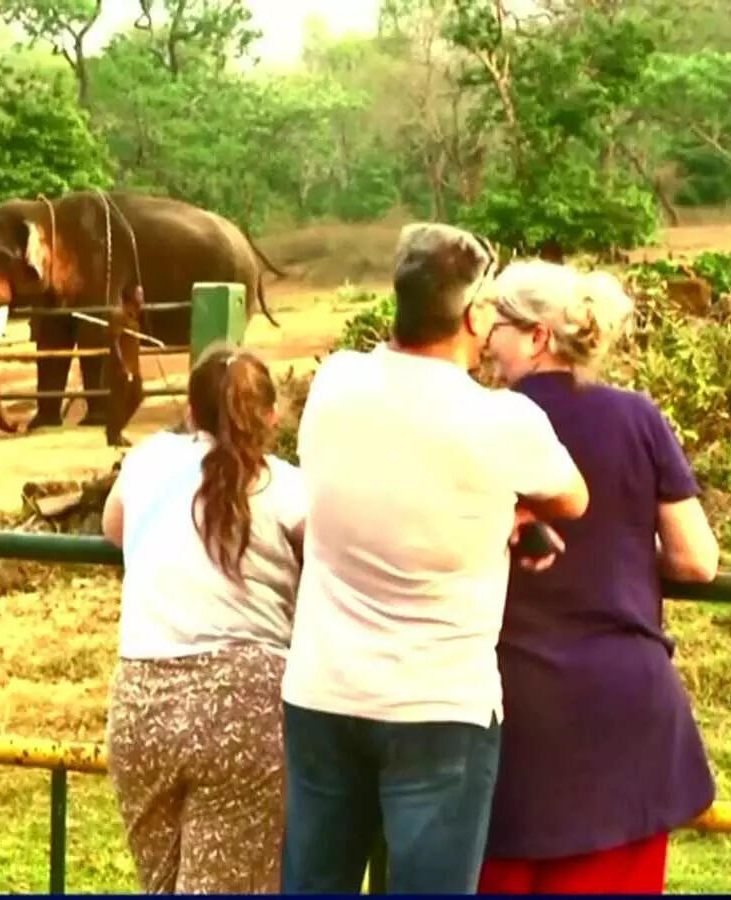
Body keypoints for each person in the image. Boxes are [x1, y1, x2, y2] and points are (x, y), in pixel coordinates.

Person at [280, 223, 591, 894]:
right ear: (474, 315)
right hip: (439, 706)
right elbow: (572, 497)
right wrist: (516, 509)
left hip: (323, 692)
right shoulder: (504, 421)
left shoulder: (335, 382)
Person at [477, 261, 719, 894]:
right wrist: (624, 553)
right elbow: (698, 559)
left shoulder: (480, 421)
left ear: (536, 336)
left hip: (512, 716)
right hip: (626, 710)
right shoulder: (637, 415)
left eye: (496, 324)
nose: (485, 339)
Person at [99, 343, 305, 893]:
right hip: (243, 709)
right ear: (272, 417)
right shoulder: (285, 487)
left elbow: (113, 528)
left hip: (142, 702)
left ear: (191, 413)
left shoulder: (147, 460)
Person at [104, 284, 147, 448]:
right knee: (119, 400)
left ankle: (116, 430)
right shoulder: (118, 315)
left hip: (133, 365)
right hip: (122, 366)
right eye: (139, 294)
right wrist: (122, 365)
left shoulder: (134, 315)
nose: (142, 298)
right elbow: (115, 342)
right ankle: (113, 434)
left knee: (136, 396)